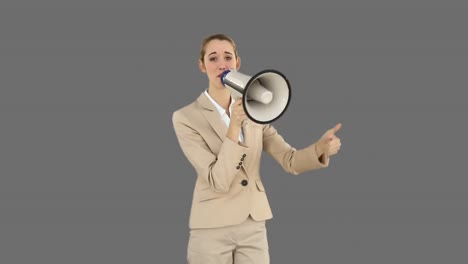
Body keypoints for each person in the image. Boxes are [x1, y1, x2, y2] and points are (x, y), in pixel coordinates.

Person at [172, 33, 342, 264]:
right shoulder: (185, 117)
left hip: (253, 224)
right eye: (213, 58)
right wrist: (234, 126)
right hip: (211, 228)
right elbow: (218, 179)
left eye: (228, 57)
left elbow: (290, 160)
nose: (222, 64)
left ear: (237, 63)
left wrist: (319, 148)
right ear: (202, 66)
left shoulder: (255, 112)